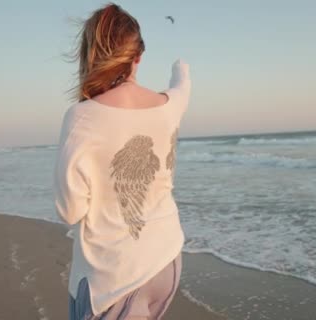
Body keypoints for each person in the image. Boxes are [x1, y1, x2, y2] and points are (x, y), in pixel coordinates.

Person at [53, 2, 191, 319]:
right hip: (167, 261)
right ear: (138, 56)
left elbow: (69, 210)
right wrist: (180, 68)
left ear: (89, 55)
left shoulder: (81, 118)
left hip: (114, 278)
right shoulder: (170, 106)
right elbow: (183, 88)